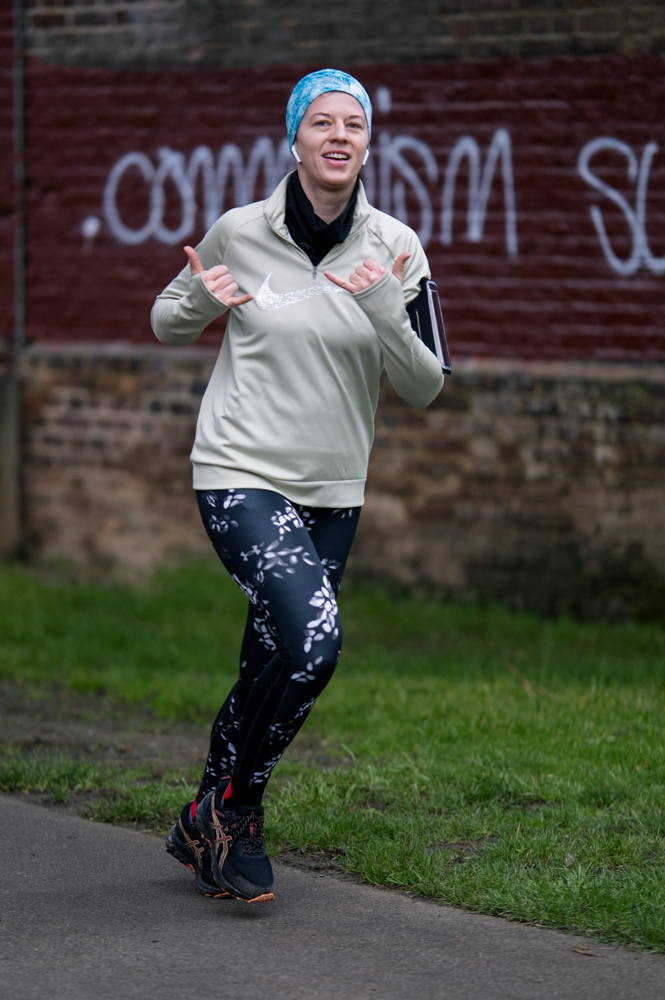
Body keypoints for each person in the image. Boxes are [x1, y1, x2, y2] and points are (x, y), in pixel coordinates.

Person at [151, 68, 445, 903]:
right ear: (294, 139)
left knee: (271, 659)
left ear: (367, 145)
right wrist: (200, 300)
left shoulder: (396, 246)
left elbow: (425, 384)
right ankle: (238, 812)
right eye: (322, 121)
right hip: (239, 470)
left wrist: (382, 306)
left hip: (333, 489)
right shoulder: (239, 230)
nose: (338, 135)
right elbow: (166, 320)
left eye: (354, 123)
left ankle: (200, 822)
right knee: (314, 645)